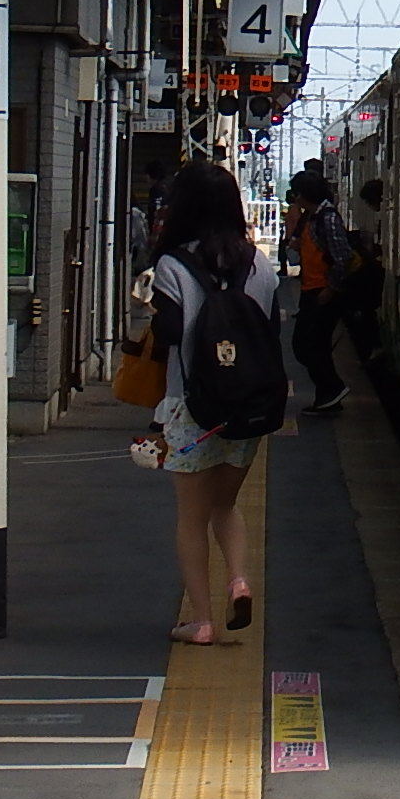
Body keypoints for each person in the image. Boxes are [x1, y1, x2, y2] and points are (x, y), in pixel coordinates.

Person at [149, 162, 279, 645]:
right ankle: (239, 580)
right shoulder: (259, 264)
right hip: (248, 406)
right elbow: (268, 332)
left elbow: (168, 337)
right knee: (227, 504)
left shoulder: (172, 266)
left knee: (191, 517)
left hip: (191, 408)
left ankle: (202, 620)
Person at [285, 169, 353, 413]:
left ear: (304, 195)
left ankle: (330, 389)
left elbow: (342, 256)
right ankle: (328, 391)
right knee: (309, 344)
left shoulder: (327, 218)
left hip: (323, 292)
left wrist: (331, 288)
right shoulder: (312, 216)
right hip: (311, 288)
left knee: (310, 344)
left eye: (296, 194)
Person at [339, 178, 386, 364]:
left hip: (373, 275)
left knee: (364, 311)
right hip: (375, 273)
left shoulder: (384, 217)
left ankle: (373, 347)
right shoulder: (383, 217)